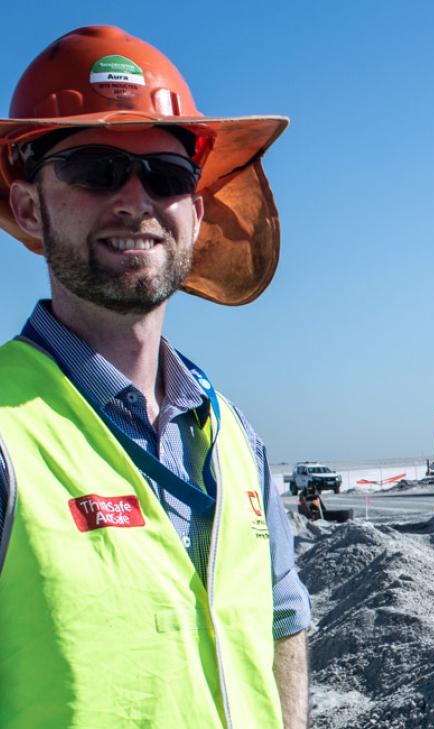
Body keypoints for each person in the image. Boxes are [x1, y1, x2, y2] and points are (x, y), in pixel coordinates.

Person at [0, 26, 310, 728]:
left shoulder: (234, 439)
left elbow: (282, 617)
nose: (136, 199)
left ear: (194, 215)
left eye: (166, 175)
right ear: (28, 208)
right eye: (95, 169)